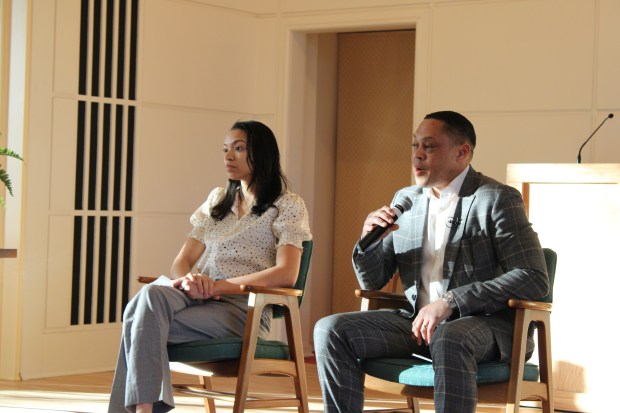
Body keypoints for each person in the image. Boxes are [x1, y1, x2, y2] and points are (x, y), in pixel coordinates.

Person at [313, 110, 549, 413]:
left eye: (429, 146)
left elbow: (532, 276)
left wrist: (451, 301)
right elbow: (373, 281)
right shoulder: (407, 199)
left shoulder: (495, 198)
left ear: (462, 152)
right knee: (330, 329)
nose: (418, 155)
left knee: (451, 335)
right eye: (415, 146)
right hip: (416, 324)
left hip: (487, 327)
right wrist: (368, 240)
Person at [108, 120, 312, 413]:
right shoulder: (218, 200)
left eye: (239, 149)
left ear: (262, 153)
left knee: (138, 318)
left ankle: (143, 410)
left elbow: (286, 274)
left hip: (244, 310)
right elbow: (181, 262)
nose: (229, 156)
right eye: (226, 149)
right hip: (194, 297)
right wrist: (190, 280)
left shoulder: (288, 205)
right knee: (150, 298)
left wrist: (215, 287)